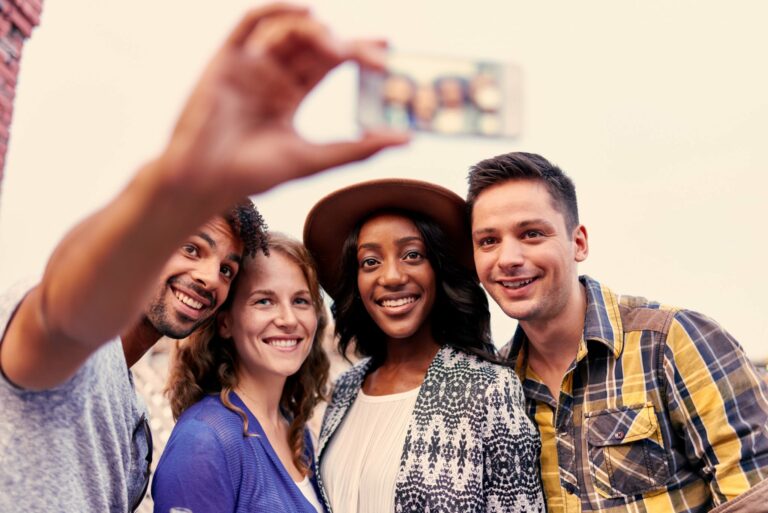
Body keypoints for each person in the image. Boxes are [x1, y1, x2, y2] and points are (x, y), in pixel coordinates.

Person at [0, 5, 407, 512]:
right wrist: (177, 181)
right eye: (191, 247)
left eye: (227, 270)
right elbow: (65, 307)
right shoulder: (71, 348)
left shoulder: (133, 426)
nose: (207, 277)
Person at [465, 151, 768, 513]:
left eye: (531, 234)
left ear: (578, 243)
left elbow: (754, 496)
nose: (508, 258)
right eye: (488, 241)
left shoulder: (673, 341)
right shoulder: (497, 384)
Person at [303, 178, 545, 512]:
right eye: (370, 261)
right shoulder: (345, 388)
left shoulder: (488, 388)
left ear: (439, 269)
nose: (391, 277)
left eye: (412, 255)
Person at [153, 233, 329, 513]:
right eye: (264, 301)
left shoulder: (296, 433)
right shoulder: (203, 442)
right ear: (225, 322)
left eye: (300, 301)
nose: (288, 319)